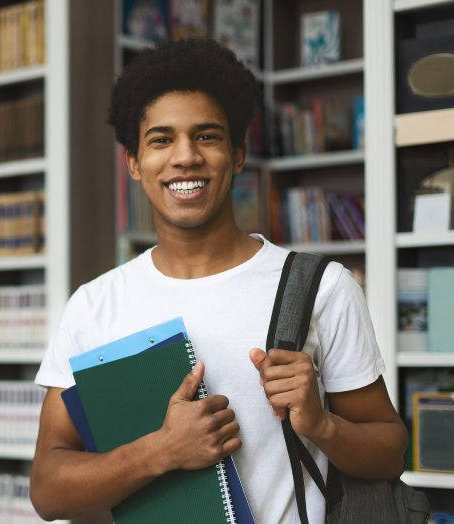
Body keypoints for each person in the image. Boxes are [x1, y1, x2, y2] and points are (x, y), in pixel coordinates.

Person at [28, 38, 407, 523]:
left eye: (206, 136)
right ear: (134, 162)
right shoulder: (94, 305)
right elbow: (48, 491)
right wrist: (162, 451)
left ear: (238, 153)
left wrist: (321, 424)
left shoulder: (322, 288)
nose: (185, 157)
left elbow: (389, 452)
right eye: (161, 140)